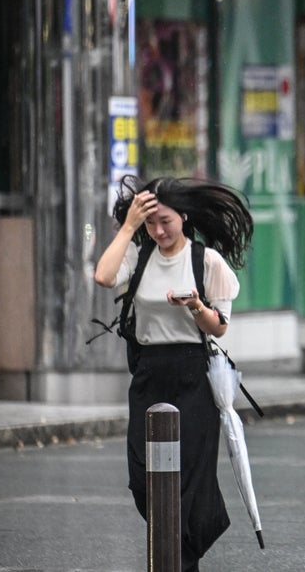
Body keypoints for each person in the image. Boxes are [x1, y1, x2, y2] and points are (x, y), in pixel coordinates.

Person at [94, 175, 253, 571]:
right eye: (151, 223)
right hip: (149, 374)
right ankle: (184, 549)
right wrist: (129, 226)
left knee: (188, 482)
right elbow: (103, 276)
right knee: (143, 479)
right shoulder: (140, 255)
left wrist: (196, 307)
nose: (159, 230)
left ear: (184, 216)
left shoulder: (206, 261)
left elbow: (219, 327)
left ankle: (179, 562)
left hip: (193, 376)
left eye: (166, 221)